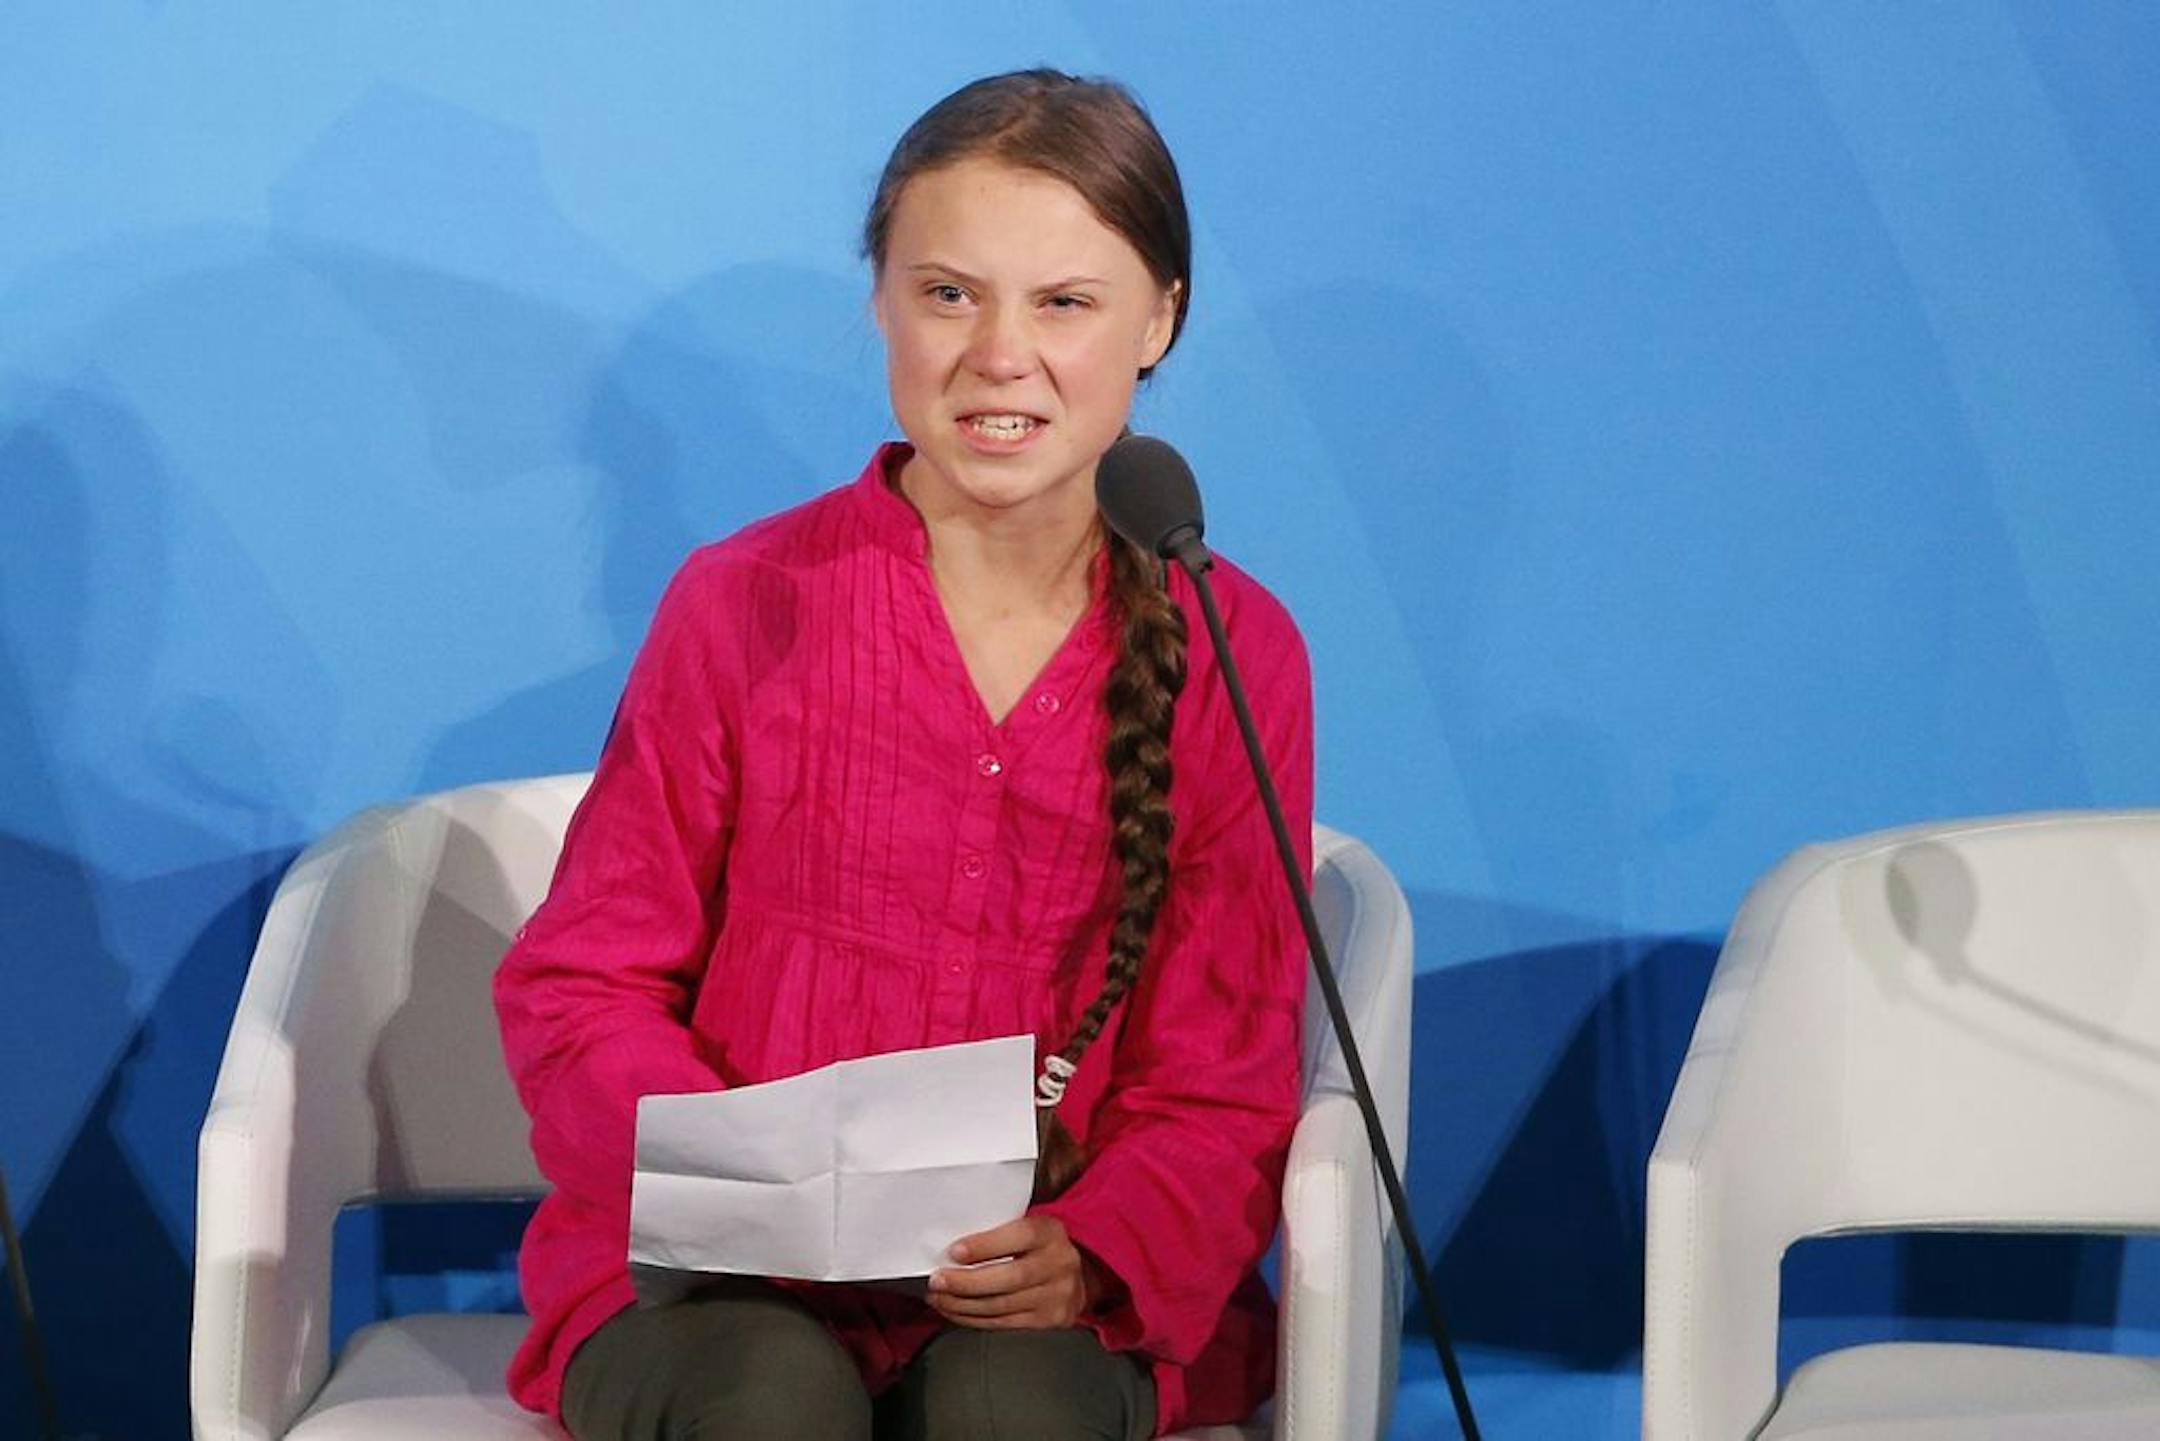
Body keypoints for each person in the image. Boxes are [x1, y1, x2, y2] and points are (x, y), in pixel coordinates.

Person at [494, 67, 1314, 1440]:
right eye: (949, 294)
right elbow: (584, 980)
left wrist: (1096, 1247)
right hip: (721, 1283)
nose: (1000, 354)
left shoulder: (1240, 651)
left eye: (1065, 303)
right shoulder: (741, 599)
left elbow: (1223, 1063)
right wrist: (732, 1182)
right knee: (771, 1398)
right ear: (881, 301)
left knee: (1006, 1411)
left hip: (1041, 1288)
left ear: (1160, 318)